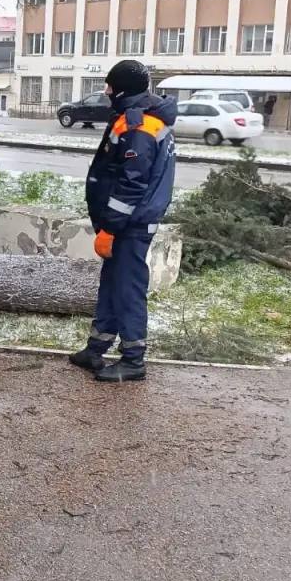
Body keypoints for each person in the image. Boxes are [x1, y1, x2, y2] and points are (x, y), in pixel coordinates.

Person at [69, 60, 177, 383]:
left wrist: (111, 227)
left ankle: (133, 359)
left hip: (130, 224)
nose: (106, 91)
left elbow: (132, 185)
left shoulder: (139, 126)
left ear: (123, 89)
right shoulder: (140, 120)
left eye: (110, 86)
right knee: (112, 283)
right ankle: (96, 348)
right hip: (124, 223)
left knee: (128, 288)